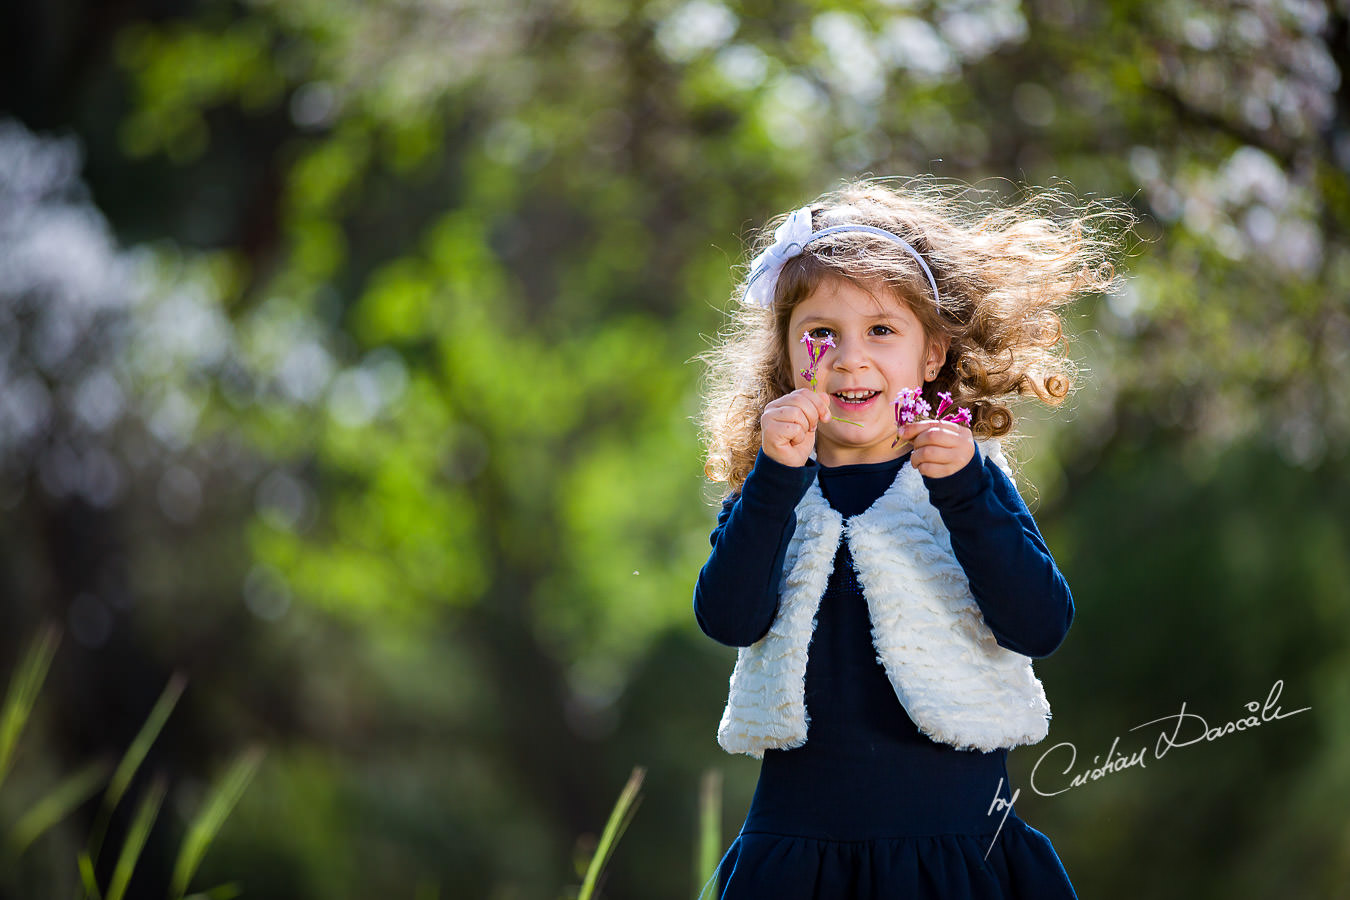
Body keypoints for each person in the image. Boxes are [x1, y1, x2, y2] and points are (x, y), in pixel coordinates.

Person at [694, 179, 1126, 899]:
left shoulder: (971, 480)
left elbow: (1039, 624)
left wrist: (964, 492)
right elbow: (728, 617)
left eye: (881, 331)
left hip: (955, 850)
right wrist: (774, 479)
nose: (848, 357)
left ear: (933, 355)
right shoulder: (769, 491)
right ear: (787, 355)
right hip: (800, 854)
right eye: (820, 333)